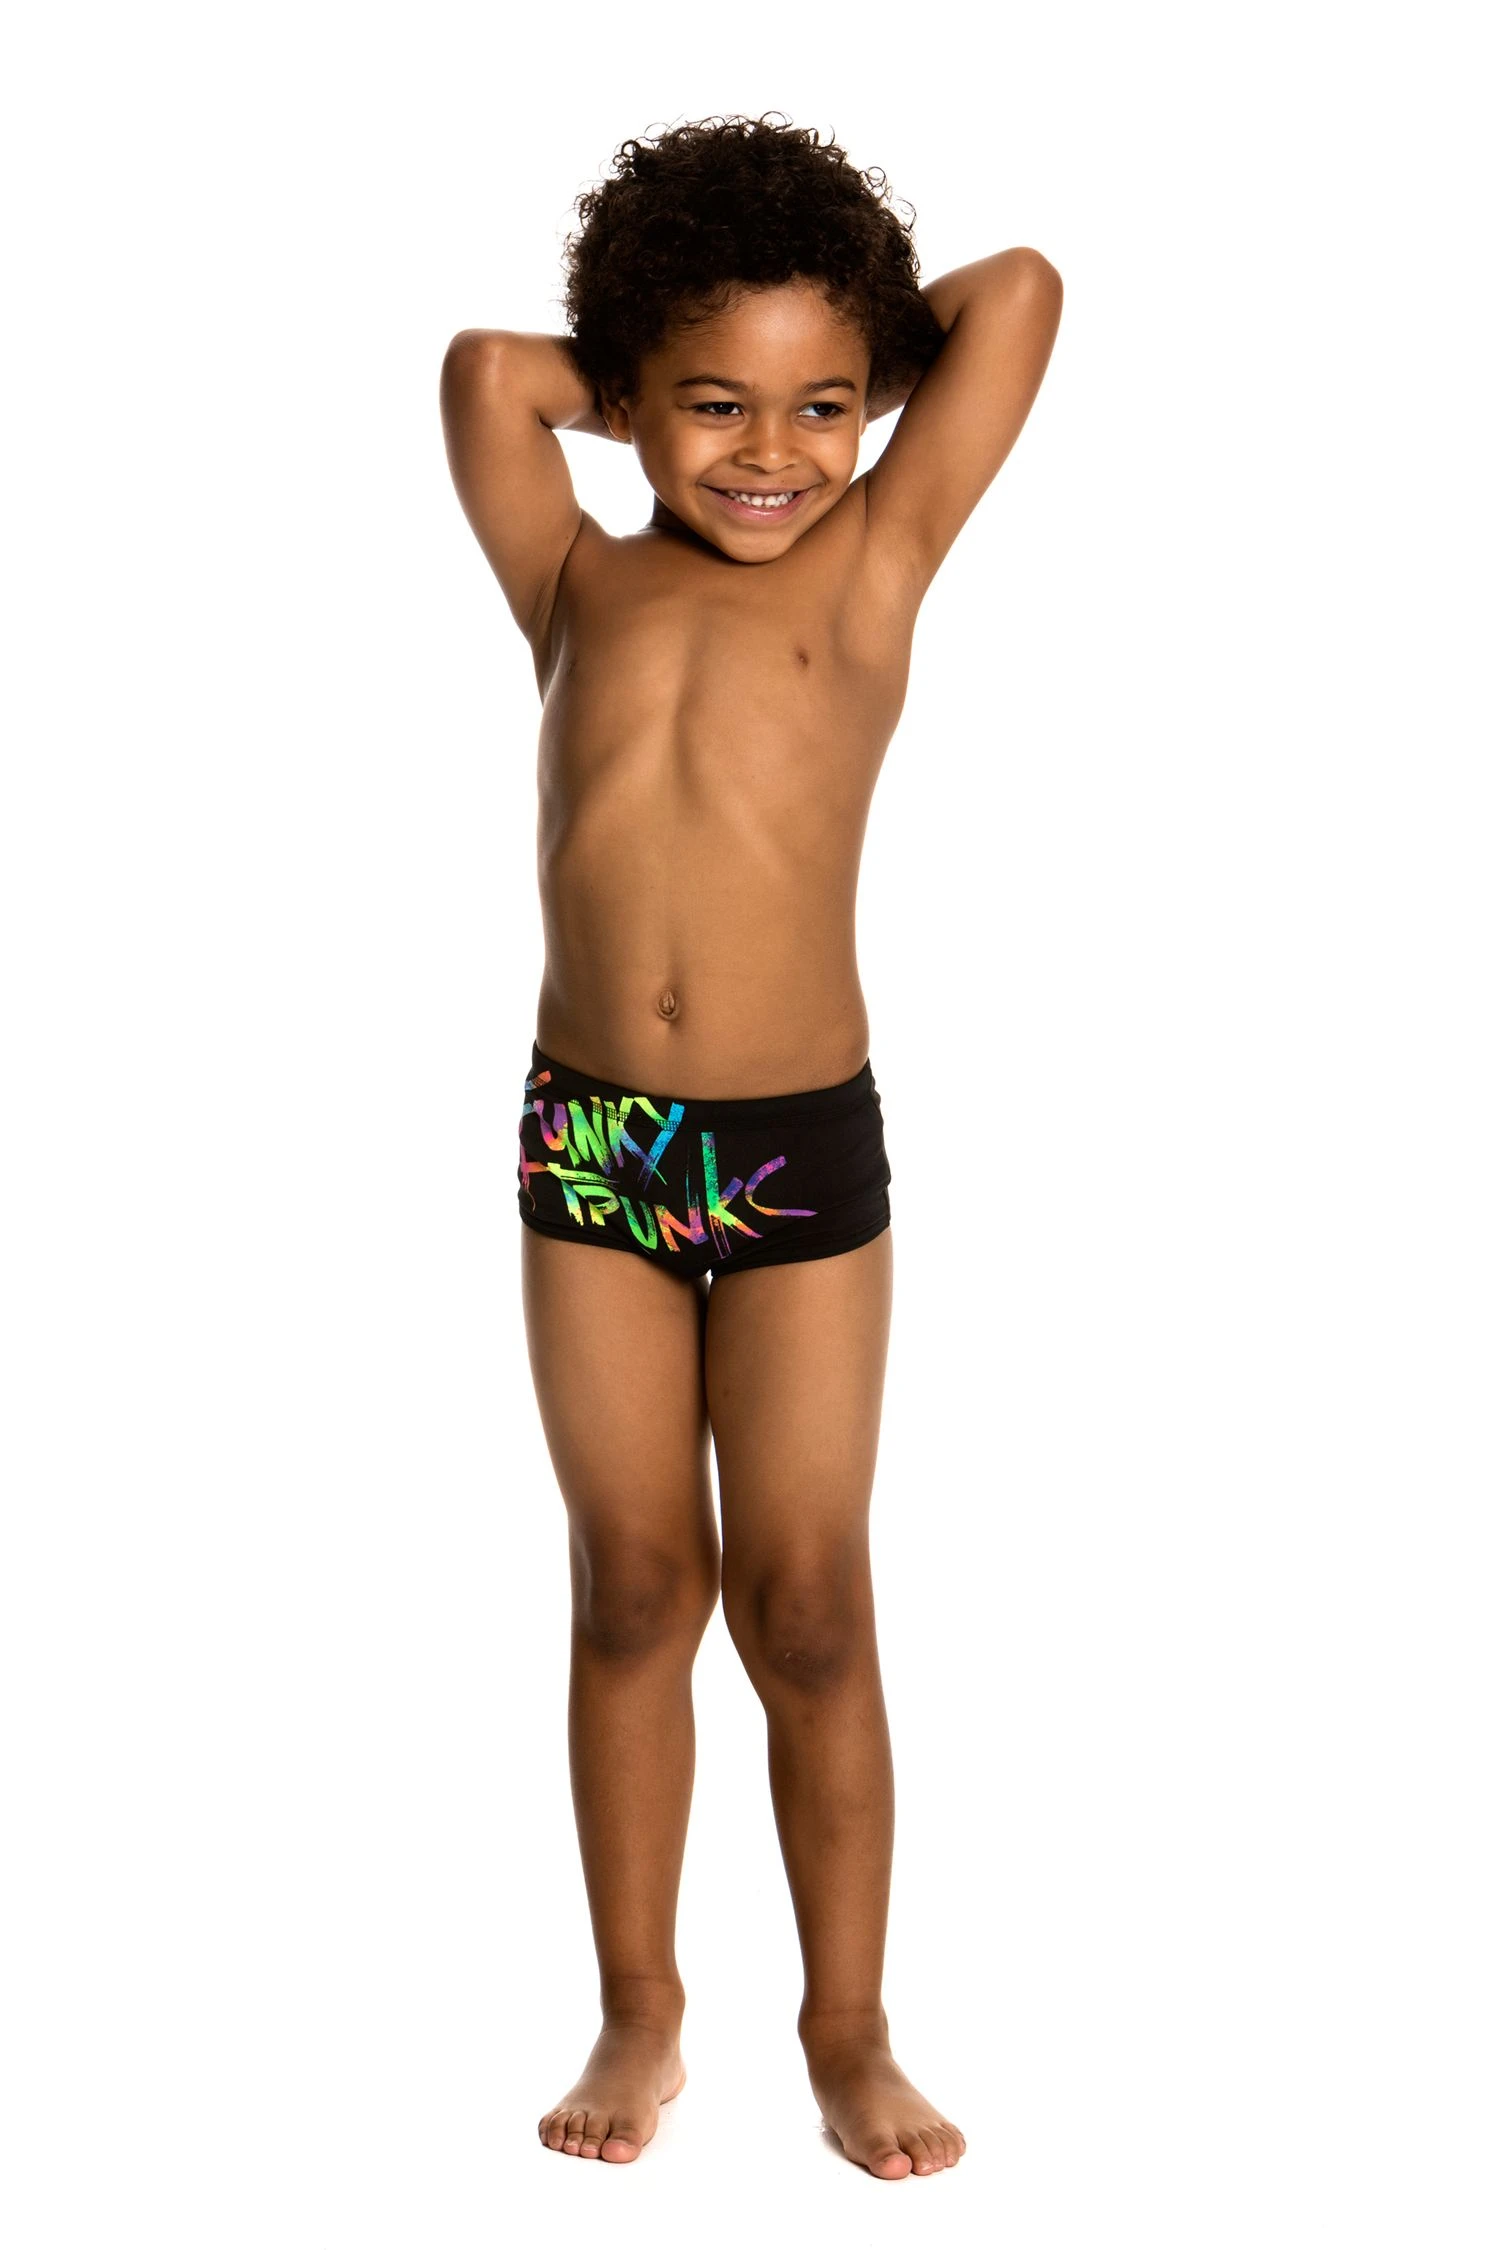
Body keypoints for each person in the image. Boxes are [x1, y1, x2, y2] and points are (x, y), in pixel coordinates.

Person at [440, 113, 1061, 2181]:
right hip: (597, 1147)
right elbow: (487, 372)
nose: (773, 451)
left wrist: (824, 364)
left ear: (872, 400)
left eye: (821, 405)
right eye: (715, 405)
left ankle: (848, 2026)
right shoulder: (572, 577)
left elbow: (1021, 291)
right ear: (629, 399)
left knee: (806, 1606)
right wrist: (636, 376)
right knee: (633, 1585)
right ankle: (641, 2003)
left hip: (794, 1156)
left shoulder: (882, 558)